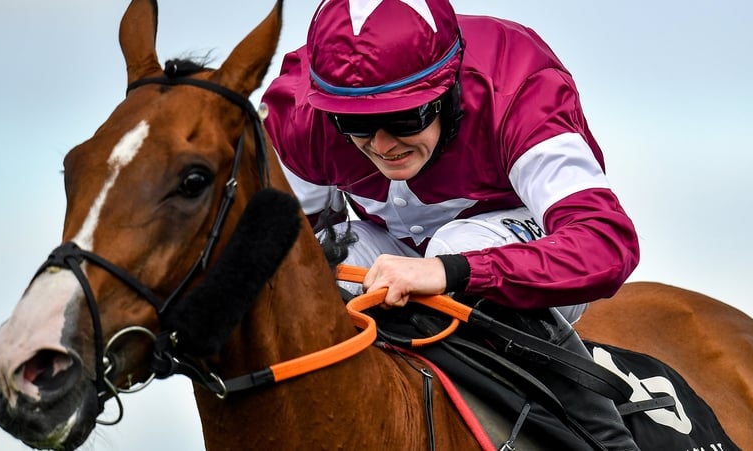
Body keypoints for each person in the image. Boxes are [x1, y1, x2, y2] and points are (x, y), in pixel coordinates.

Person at [262, 0, 640, 449]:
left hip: (517, 250)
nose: (382, 145)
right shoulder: (301, 115)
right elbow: (280, 255)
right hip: (391, 248)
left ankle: (608, 441)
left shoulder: (516, 84)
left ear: (449, 89)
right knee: (313, 269)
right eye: (357, 123)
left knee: (458, 242)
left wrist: (450, 271)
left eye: (404, 117)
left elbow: (605, 244)